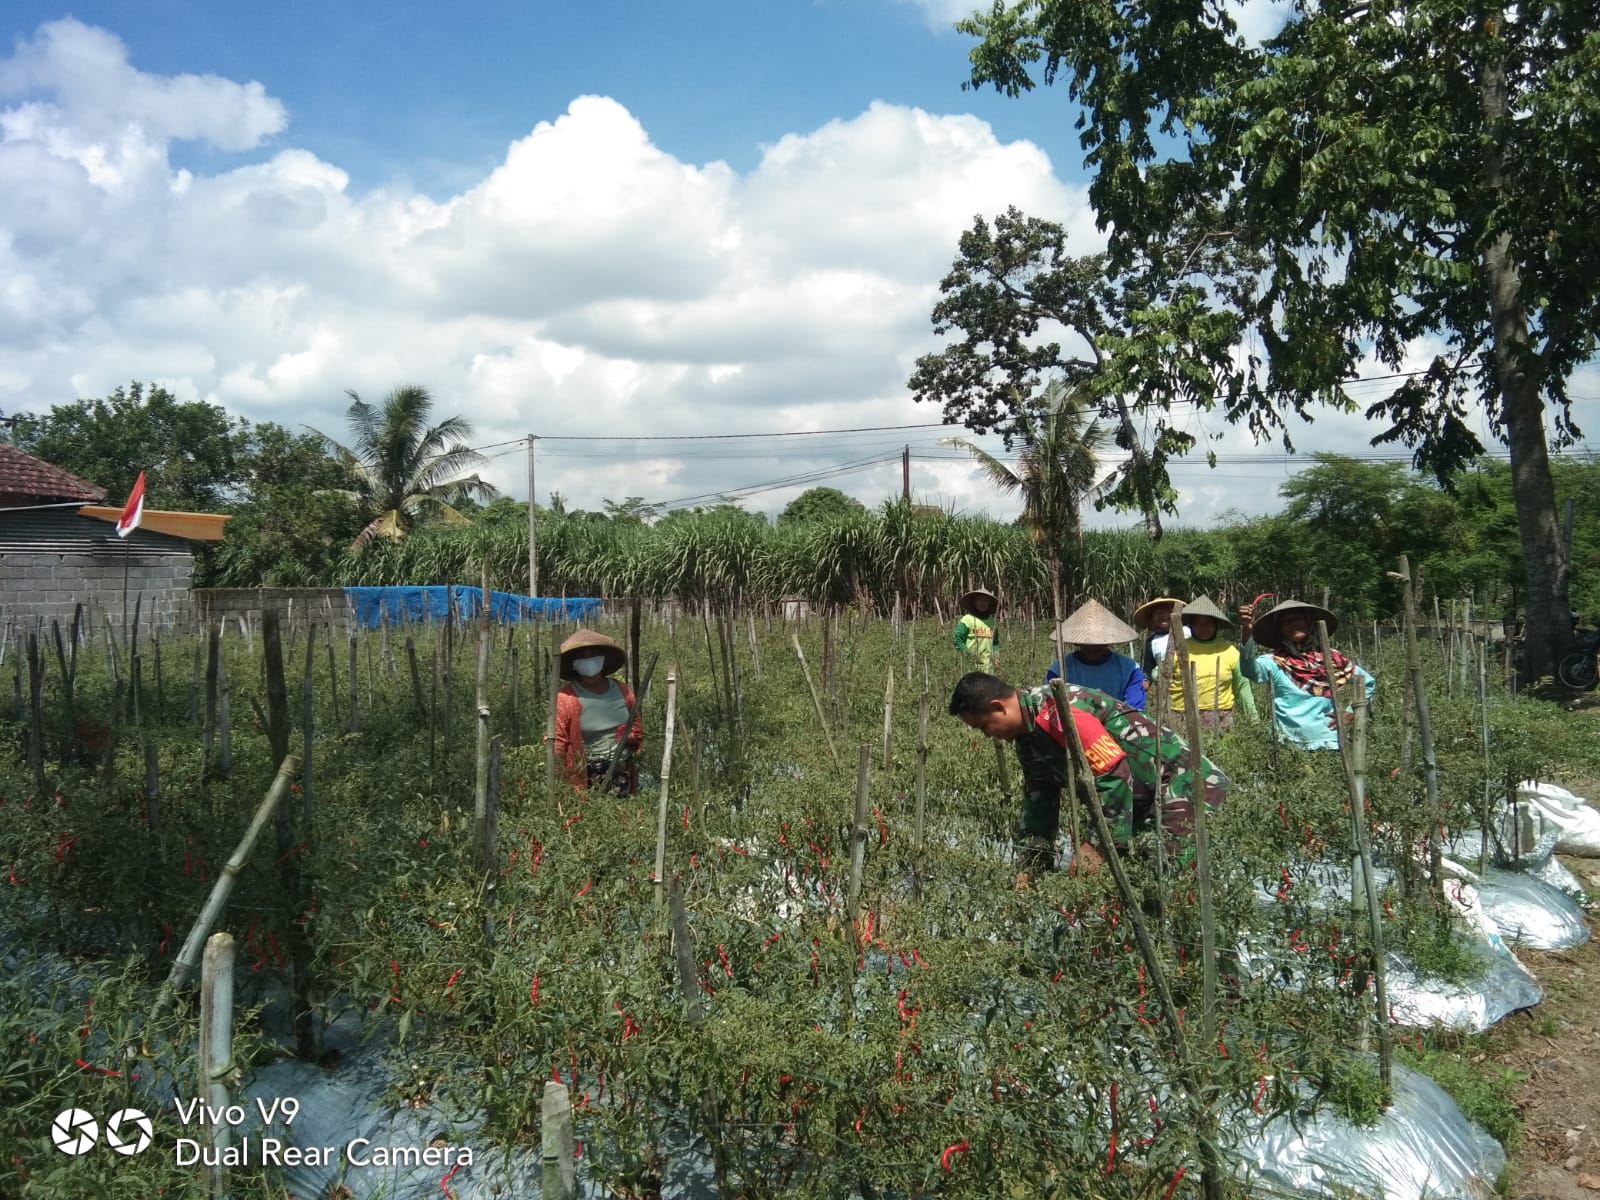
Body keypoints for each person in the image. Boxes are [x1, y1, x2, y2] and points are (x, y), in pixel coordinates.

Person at [949, 671, 1229, 871]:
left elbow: (1114, 774)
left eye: (983, 726)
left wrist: (1096, 847)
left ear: (998, 707)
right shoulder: (1026, 735)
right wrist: (1031, 864)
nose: (987, 736)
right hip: (1142, 798)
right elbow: (1040, 799)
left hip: (1183, 785)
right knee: (1134, 877)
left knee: (1168, 880)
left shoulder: (1056, 713)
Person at [1237, 598, 1374, 751]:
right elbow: (1250, 671)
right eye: (1286, 621)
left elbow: (1367, 682)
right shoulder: (1275, 662)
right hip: (1288, 745)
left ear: (1308, 621)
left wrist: (1350, 712)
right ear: (1280, 629)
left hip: (1328, 743)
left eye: (1298, 618)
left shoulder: (1331, 659)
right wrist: (1247, 632)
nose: (1293, 623)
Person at [553, 629, 644, 793]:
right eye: (582, 656)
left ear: (603, 659)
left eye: (593, 654)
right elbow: (558, 741)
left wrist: (631, 737)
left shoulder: (622, 690)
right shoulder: (566, 697)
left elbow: (636, 724)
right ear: (574, 663)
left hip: (622, 768)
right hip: (587, 773)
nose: (589, 660)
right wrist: (559, 777)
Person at [1166, 595, 1258, 732]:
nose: (1204, 627)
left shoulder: (1229, 651)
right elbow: (1161, 673)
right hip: (1182, 716)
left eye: (1209, 623)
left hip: (1220, 718)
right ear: (1191, 625)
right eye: (1199, 623)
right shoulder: (1178, 648)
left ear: (1216, 625)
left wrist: (1254, 721)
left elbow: (1242, 687)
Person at [1043, 598, 1146, 709]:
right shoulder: (1060, 668)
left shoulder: (1129, 670)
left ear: (1109, 640)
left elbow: (1134, 711)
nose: (1092, 647)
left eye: (1098, 642)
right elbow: (1048, 704)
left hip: (1115, 723)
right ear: (1077, 641)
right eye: (1087, 643)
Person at [1134, 597, 1181, 685]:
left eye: (1165, 612)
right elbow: (1146, 669)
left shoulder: (1186, 632)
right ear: (1151, 620)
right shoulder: (1151, 642)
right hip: (1168, 689)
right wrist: (1146, 681)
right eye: (1157, 613)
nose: (1162, 615)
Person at [953, 587, 1000, 673]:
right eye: (979, 600)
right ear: (974, 602)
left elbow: (995, 643)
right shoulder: (967, 620)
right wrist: (969, 655)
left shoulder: (992, 622)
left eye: (986, 600)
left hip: (988, 669)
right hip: (970, 668)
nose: (982, 603)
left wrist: (996, 654)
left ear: (989, 603)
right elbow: (957, 640)